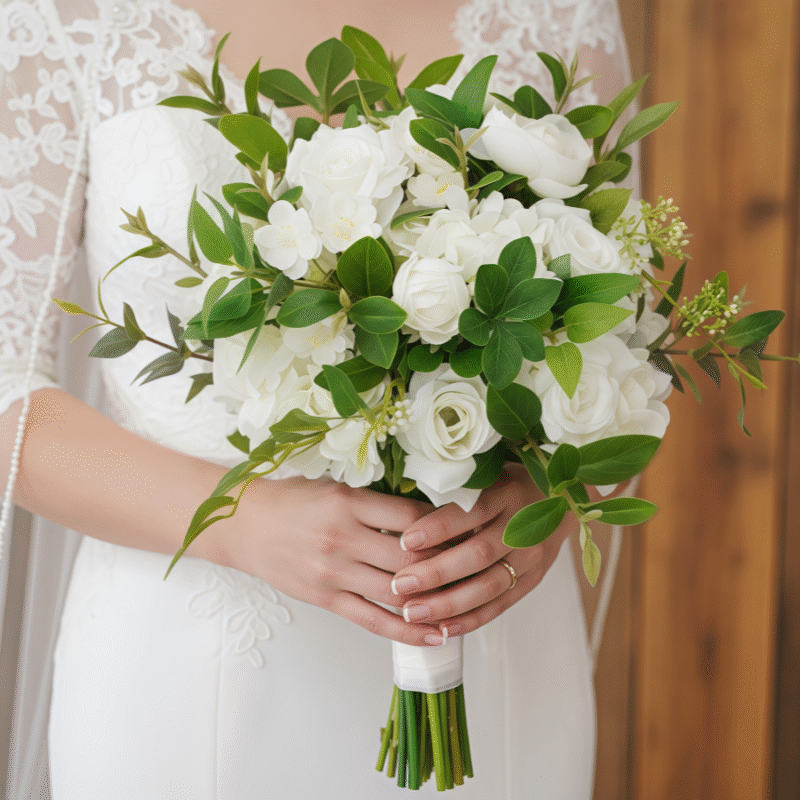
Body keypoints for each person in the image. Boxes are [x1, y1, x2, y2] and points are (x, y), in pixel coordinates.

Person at [0, 0, 636, 797]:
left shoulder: (559, 13)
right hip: (192, 663)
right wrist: (240, 521)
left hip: (488, 641)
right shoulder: (64, 17)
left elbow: (622, 327)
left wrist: (550, 496)